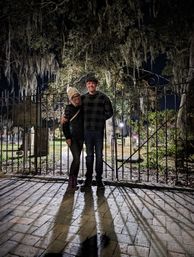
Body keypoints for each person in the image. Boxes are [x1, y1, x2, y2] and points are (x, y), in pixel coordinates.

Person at [81, 76, 113, 189]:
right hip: (87, 132)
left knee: (99, 156)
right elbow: (76, 111)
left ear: (96, 85)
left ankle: (99, 180)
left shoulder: (103, 97)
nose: (91, 85)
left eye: (93, 83)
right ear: (86, 85)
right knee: (89, 156)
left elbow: (110, 112)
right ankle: (88, 180)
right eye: (89, 83)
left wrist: (100, 118)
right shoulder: (83, 98)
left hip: (98, 131)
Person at [62, 86, 84, 191]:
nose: (76, 98)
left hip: (81, 137)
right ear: (71, 99)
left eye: (77, 96)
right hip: (72, 138)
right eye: (74, 97)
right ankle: (71, 182)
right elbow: (64, 125)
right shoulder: (68, 108)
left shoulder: (82, 107)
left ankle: (74, 181)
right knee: (76, 158)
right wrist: (67, 137)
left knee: (78, 159)